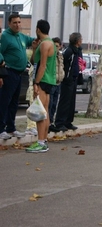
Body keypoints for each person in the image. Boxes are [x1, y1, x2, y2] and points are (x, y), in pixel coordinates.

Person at [0, 14, 37, 140]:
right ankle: (1, 128)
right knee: (5, 101)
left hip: (19, 74)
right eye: (15, 22)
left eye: (19, 22)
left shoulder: (21, 36)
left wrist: (43, 38)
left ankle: (11, 128)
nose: (18, 25)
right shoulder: (5, 36)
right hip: (9, 72)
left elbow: (32, 41)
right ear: (9, 23)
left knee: (14, 103)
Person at [26, 20, 57, 153]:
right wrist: (34, 48)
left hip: (43, 80)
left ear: (38, 29)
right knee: (44, 111)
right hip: (49, 80)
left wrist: (36, 83)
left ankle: (41, 142)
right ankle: (43, 140)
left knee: (40, 112)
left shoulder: (45, 44)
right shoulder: (47, 43)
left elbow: (42, 65)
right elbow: (34, 61)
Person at [51, 32, 82, 132]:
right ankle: (60, 122)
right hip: (68, 80)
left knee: (71, 102)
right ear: (77, 41)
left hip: (73, 79)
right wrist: (67, 77)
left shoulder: (76, 51)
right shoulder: (70, 52)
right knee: (64, 101)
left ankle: (68, 121)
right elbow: (65, 65)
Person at [48, 37, 63, 127]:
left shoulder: (60, 56)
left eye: (57, 46)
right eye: (54, 45)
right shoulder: (50, 55)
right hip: (51, 82)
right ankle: (48, 123)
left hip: (58, 82)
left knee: (54, 104)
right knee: (49, 104)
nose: (56, 48)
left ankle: (51, 122)